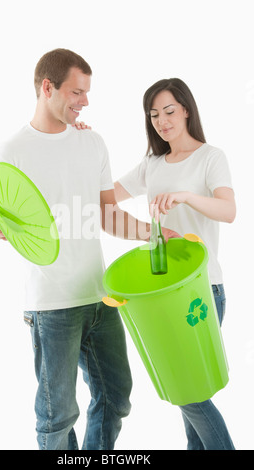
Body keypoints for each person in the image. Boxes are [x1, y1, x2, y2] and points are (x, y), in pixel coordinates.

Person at [0, 49, 177, 451]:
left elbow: (107, 213)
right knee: (56, 418)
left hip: (101, 297)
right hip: (50, 306)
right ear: (48, 87)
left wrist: (155, 234)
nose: (85, 102)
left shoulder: (92, 142)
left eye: (86, 93)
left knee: (116, 397)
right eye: (77, 92)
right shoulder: (12, 151)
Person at [114, 78, 236, 450]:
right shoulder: (151, 164)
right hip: (160, 294)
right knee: (187, 391)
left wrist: (185, 197)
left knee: (188, 392)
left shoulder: (210, 157)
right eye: (154, 115)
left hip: (201, 288)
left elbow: (228, 211)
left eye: (168, 111)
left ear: (186, 109)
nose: (162, 121)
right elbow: (105, 199)